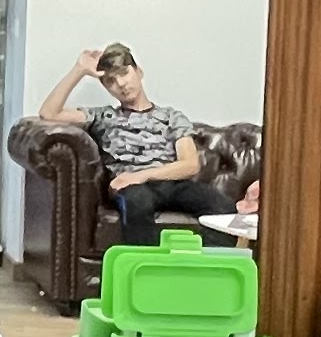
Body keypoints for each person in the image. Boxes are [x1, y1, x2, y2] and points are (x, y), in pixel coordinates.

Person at [38, 41, 234, 245]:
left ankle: (204, 263)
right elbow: (48, 113)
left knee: (223, 207)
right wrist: (79, 70)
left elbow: (190, 165)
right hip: (131, 190)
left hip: (170, 183)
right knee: (138, 202)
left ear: (138, 72)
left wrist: (140, 176)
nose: (121, 84)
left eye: (124, 73)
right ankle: (147, 266)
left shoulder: (171, 117)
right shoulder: (103, 116)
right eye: (111, 81)